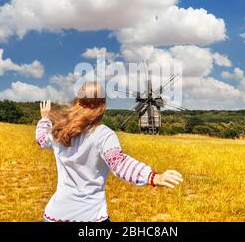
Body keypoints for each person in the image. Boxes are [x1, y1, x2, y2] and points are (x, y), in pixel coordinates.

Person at [35, 81, 183, 222]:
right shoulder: (103, 135)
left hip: (55, 215)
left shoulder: (59, 131)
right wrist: (152, 177)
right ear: (102, 106)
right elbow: (119, 163)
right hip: (90, 216)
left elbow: (41, 139)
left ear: (77, 102)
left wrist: (45, 119)